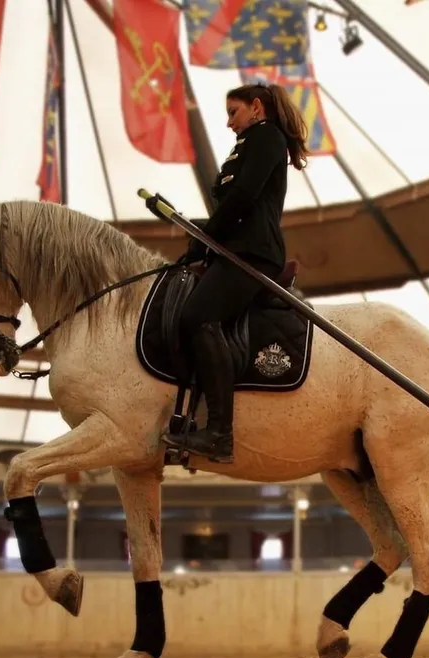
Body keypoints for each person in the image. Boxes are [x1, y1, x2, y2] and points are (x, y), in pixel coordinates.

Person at [161, 83, 310, 463]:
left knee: (197, 317)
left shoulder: (267, 137)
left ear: (256, 107)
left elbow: (242, 200)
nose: (228, 122)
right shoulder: (247, 143)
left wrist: (203, 240)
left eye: (233, 112)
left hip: (253, 253)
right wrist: (203, 241)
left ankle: (219, 433)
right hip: (232, 252)